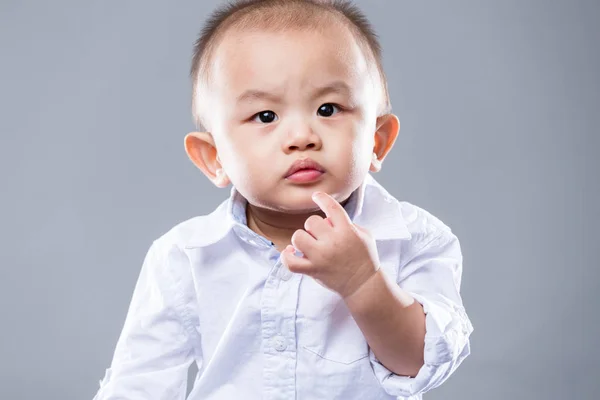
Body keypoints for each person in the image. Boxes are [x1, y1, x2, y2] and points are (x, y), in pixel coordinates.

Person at [93, 1, 473, 399]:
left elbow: (419, 363)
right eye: (265, 116)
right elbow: (139, 383)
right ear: (215, 158)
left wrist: (363, 282)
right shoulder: (185, 257)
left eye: (328, 109)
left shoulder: (415, 240)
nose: (301, 136)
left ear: (377, 142)